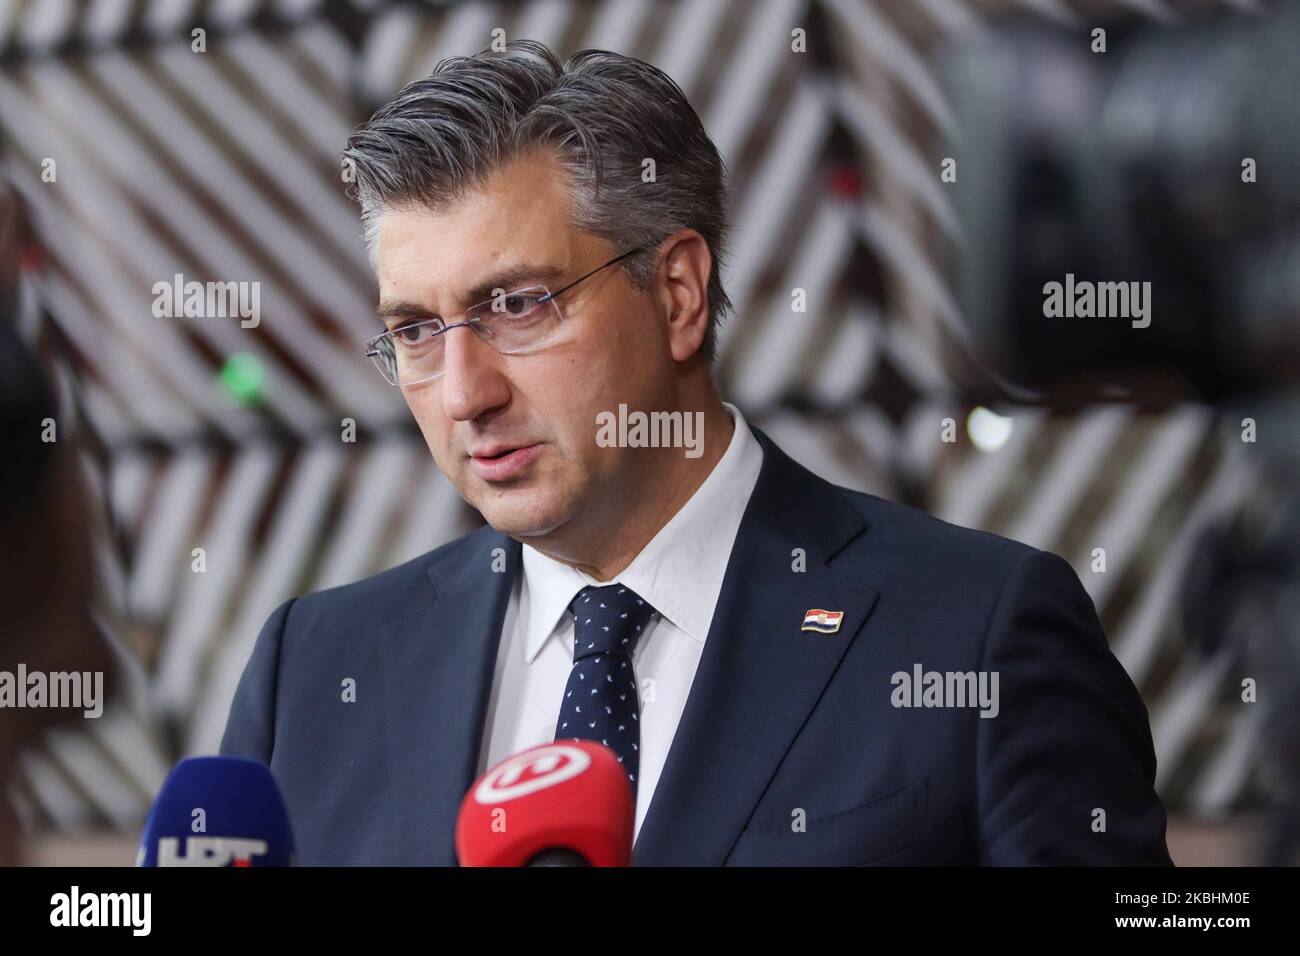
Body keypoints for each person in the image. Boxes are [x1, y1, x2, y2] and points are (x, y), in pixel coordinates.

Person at [221, 40, 1171, 866]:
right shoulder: (311, 667)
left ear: (676, 293)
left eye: (516, 306)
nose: (465, 393)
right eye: (417, 331)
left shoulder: (976, 634)